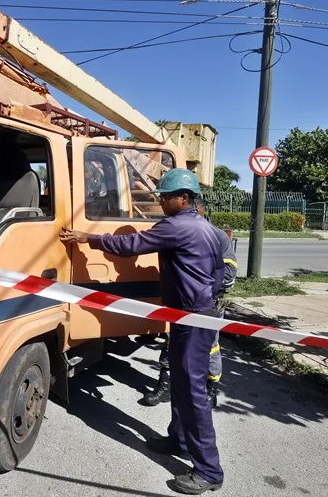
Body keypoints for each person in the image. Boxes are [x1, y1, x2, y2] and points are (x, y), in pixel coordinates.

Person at [60, 168, 224, 495]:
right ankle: (179, 440)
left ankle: (209, 471)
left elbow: (129, 245)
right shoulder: (206, 227)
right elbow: (218, 272)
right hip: (196, 314)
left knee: (192, 391)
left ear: (185, 199)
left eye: (166, 197)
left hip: (193, 318)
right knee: (181, 383)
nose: (161, 201)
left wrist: (87, 238)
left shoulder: (176, 226)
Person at [142, 195, 237, 409]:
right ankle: (166, 385)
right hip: (182, 304)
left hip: (207, 304)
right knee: (172, 342)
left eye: (195, 213)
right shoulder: (180, 230)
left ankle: (209, 388)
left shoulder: (217, 236)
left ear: (199, 210)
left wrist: (201, 289)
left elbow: (229, 274)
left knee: (210, 346)